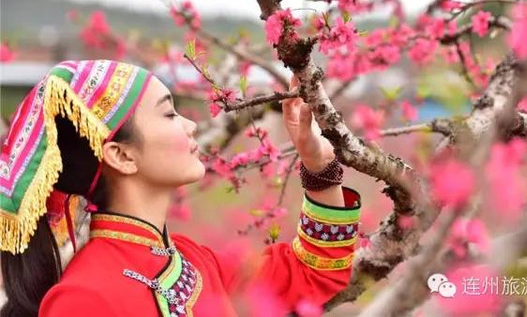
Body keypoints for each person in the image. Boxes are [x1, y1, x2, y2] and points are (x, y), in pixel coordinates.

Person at [0, 60, 361, 316]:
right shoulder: (84, 299)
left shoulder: (195, 262)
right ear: (122, 155)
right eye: (170, 114)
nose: (190, 125)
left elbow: (314, 271)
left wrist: (319, 165)